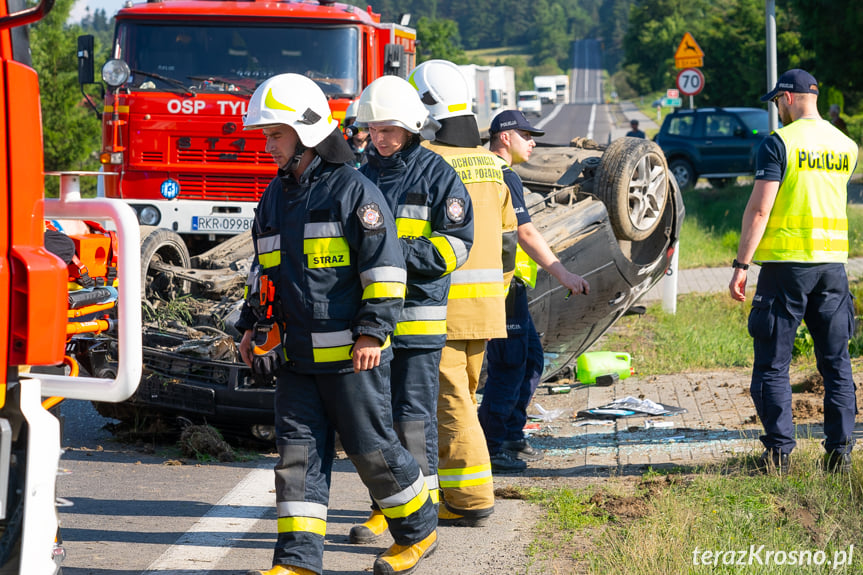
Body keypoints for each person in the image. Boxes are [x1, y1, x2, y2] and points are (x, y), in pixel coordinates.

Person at [238, 73, 437, 575]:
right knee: (297, 459)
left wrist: (373, 331)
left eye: (275, 135)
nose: (268, 146)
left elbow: (386, 270)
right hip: (297, 359)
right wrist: (250, 324)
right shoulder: (275, 197)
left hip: (353, 357)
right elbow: (264, 270)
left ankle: (419, 530)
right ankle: (299, 562)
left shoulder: (354, 192)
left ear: (305, 133)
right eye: (266, 136)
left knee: (373, 452)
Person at [347, 75, 474, 544]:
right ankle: (384, 506)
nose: (379, 139)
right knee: (374, 419)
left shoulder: (438, 175)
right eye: (373, 130)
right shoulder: (360, 175)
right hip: (371, 323)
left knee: (412, 419)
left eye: (388, 130)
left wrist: (394, 251)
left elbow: (456, 247)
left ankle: (421, 511)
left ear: (412, 128)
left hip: (418, 321)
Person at [728, 69, 859, 475]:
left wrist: (741, 264)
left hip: (786, 267)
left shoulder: (779, 143)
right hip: (833, 268)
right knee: (836, 364)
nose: (776, 110)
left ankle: (779, 455)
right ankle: (839, 455)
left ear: (787, 97)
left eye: (775, 103)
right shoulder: (846, 145)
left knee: (772, 365)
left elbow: (761, 208)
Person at [408, 59, 518, 526]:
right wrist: (496, 292)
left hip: (442, 307)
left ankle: (472, 499)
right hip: (487, 306)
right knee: (462, 400)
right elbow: (510, 242)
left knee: (450, 406)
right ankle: (452, 495)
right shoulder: (493, 165)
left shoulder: (427, 164)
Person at [479, 110, 590, 472]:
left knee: (530, 360)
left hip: (510, 285)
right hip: (500, 285)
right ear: (505, 137)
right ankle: (491, 446)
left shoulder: (489, 171)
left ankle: (511, 433)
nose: (533, 142)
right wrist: (564, 274)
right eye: (527, 135)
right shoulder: (501, 175)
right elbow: (524, 234)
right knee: (510, 366)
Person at [343, 100, 369, 167]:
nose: (358, 129)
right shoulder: (342, 150)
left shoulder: (378, 151)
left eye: (362, 124)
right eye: (353, 123)